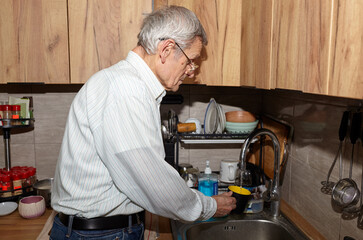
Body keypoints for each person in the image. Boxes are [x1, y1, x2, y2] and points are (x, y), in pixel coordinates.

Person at [50, 5, 236, 240]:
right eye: (190, 61)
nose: (191, 71)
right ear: (167, 49)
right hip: (101, 235)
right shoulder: (126, 90)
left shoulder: (125, 84)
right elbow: (155, 184)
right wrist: (209, 206)